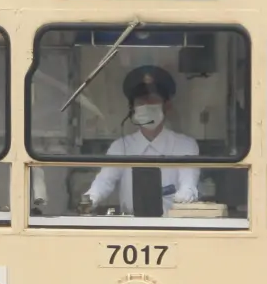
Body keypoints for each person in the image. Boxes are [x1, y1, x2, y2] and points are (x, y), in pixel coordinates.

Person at [83, 66, 200, 215]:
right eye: (141, 102)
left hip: (172, 227)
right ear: (132, 109)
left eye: (153, 100)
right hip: (131, 229)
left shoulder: (185, 145)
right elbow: (104, 182)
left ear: (167, 106)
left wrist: (185, 196)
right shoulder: (120, 147)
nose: (146, 106)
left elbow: (189, 183)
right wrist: (89, 200)